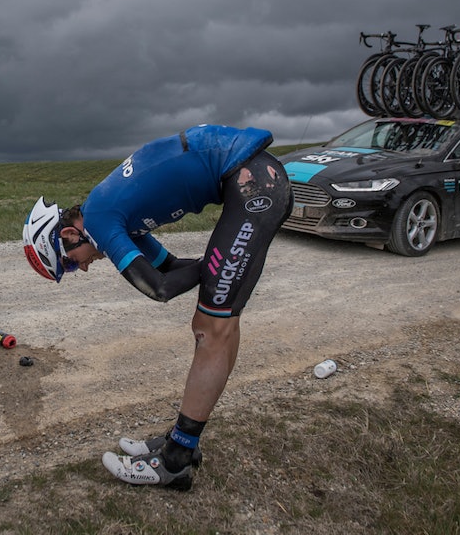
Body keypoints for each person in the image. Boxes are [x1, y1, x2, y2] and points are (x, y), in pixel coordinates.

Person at [22, 125, 291, 490]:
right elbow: (169, 267)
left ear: (69, 235)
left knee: (208, 327)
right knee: (221, 323)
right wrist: (220, 264)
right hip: (256, 178)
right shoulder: (113, 213)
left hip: (252, 183)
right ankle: (183, 439)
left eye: (70, 264)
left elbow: (159, 289)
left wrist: (218, 264)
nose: (82, 268)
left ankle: (175, 461)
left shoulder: (100, 218)